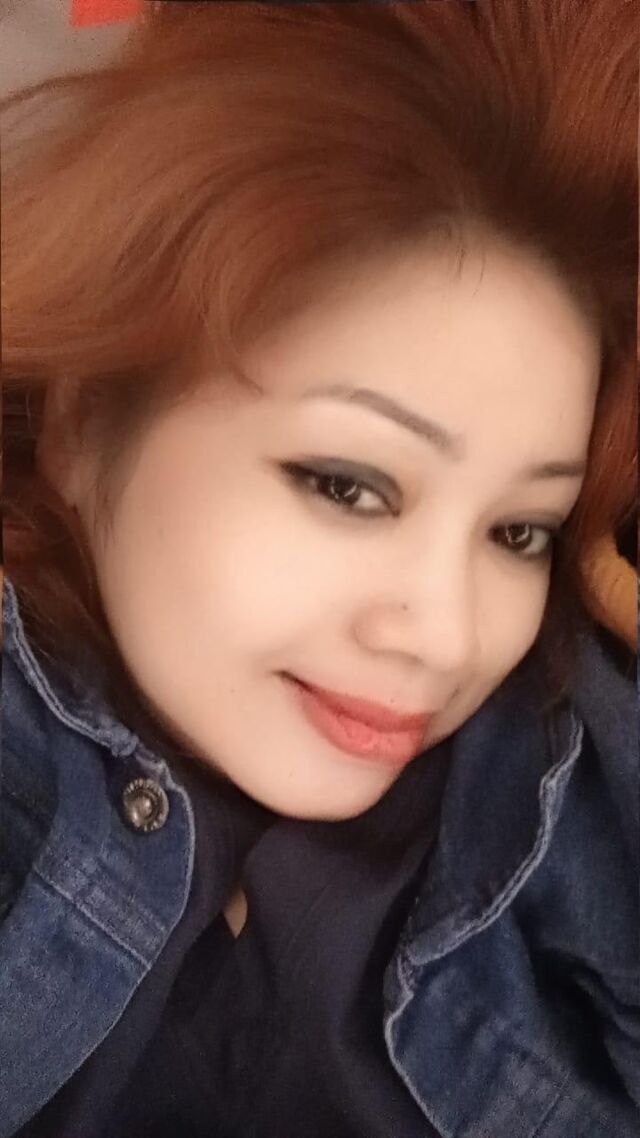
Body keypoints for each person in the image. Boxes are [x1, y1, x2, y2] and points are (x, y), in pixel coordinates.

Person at [1, 2, 637, 1135]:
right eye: (347, 485)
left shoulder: (556, 797)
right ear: (84, 422)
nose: (446, 636)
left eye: (520, 531)